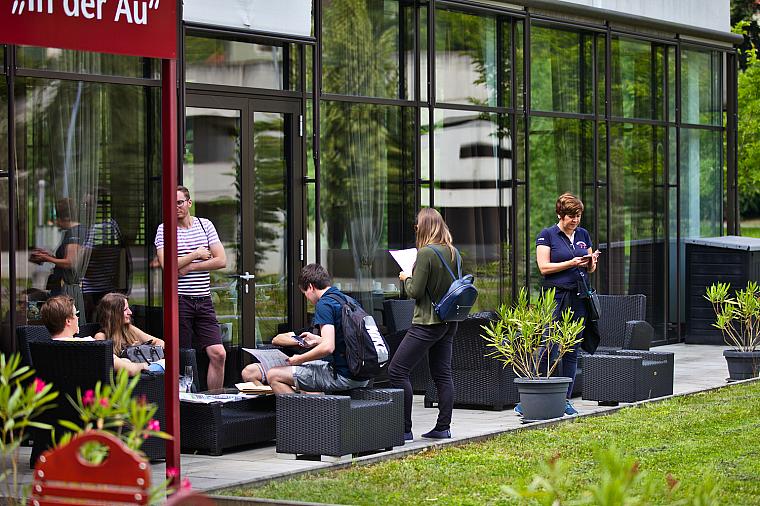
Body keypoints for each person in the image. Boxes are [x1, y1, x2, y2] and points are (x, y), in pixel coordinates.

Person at [240, 264, 370, 394]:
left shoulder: (324, 304)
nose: (307, 298)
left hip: (343, 376)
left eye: (305, 293)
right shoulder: (348, 301)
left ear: (311, 287)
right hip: (361, 373)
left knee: (274, 375)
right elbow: (346, 339)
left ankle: (303, 407)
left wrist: (299, 359)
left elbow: (328, 347)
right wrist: (317, 340)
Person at [389, 207, 459, 442]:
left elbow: (415, 291)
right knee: (443, 374)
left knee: (397, 370)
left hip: (427, 322)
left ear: (425, 226)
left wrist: (406, 277)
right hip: (449, 321)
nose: (416, 228)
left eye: (417, 224)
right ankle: (443, 427)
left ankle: (404, 429)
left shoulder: (426, 253)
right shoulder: (453, 252)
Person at [155, 186, 227, 390]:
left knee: (219, 354)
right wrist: (196, 254)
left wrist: (189, 267)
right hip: (179, 300)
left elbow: (221, 260)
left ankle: (214, 402)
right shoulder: (164, 229)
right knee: (182, 357)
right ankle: (185, 404)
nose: (175, 207)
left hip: (204, 299)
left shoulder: (205, 225)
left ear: (189, 203)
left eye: (179, 202)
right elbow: (168, 265)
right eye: (171, 203)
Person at [534, 192, 600, 416]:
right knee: (549, 346)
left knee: (572, 348)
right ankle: (537, 396)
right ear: (560, 215)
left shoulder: (583, 234)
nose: (575, 220)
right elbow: (544, 268)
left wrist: (591, 262)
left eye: (578, 216)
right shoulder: (547, 235)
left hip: (579, 297)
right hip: (556, 297)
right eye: (571, 216)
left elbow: (590, 268)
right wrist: (571, 262)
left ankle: (565, 400)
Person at [40, 295, 162, 377]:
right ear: (68, 321)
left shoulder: (42, 349)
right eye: (76, 314)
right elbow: (129, 370)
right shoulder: (92, 345)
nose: (78, 318)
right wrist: (144, 365)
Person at [30, 198, 86, 323]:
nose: (54, 222)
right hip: (61, 285)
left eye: (56, 217)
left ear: (64, 218)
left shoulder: (74, 233)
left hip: (64, 287)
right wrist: (49, 256)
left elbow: (70, 262)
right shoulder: (74, 232)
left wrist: (46, 258)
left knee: (56, 318)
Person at [93, 292, 166, 358]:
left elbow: (158, 342)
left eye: (129, 308)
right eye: (125, 309)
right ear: (113, 314)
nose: (130, 312)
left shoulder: (128, 329)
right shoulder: (101, 337)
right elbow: (109, 362)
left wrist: (145, 350)